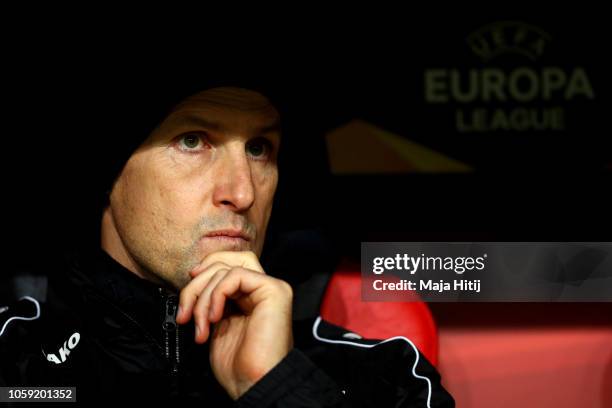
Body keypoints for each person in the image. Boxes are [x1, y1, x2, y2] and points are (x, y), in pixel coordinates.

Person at [0, 83, 454, 407]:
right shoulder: (13, 365)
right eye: (192, 141)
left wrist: (280, 388)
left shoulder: (382, 375)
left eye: (259, 148)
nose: (243, 193)